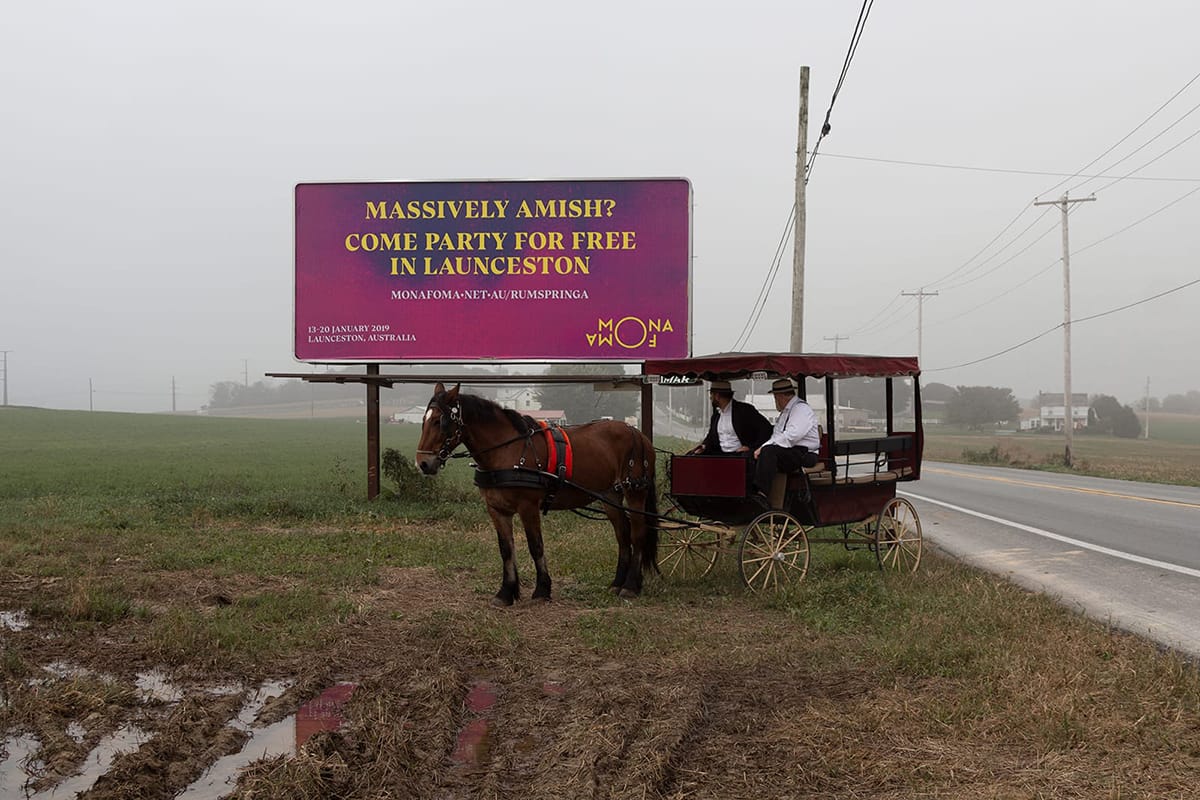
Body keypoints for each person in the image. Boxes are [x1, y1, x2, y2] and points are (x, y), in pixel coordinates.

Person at [751, 377, 821, 505]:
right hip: (791, 451)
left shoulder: (801, 409)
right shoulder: (785, 412)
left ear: (781, 396)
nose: (775, 401)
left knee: (769, 452)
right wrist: (759, 449)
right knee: (753, 455)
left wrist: (764, 447)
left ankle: (762, 495)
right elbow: (776, 436)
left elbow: (792, 436)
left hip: (805, 453)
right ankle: (750, 492)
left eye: (776, 398)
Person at [688, 380, 773, 456]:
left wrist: (751, 447)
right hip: (720, 454)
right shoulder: (716, 415)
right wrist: (704, 446)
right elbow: (711, 436)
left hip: (740, 455)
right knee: (693, 456)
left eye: (711, 395)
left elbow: (766, 429)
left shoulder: (744, 410)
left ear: (717, 396)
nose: (710, 398)